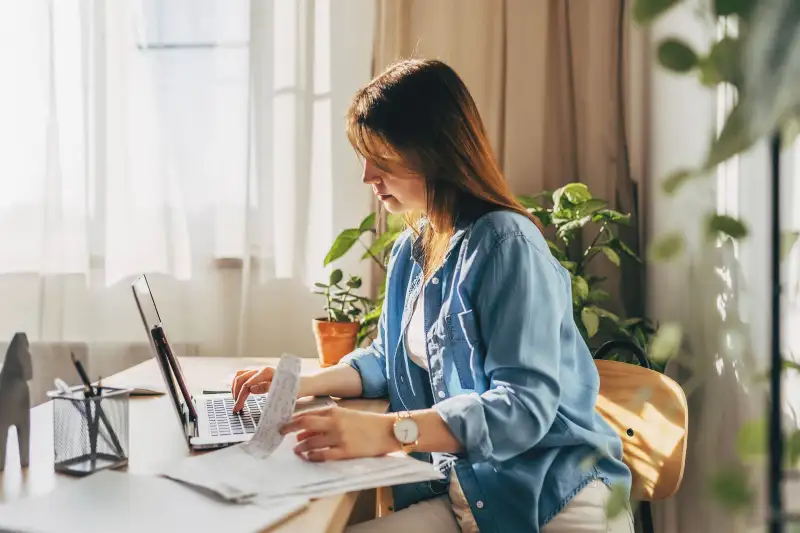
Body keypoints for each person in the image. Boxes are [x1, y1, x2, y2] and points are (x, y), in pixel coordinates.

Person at [231, 58, 634, 533]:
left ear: (432, 149)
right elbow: (388, 359)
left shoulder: (508, 244)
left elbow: (523, 408)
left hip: (553, 501)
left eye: (380, 155)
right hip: (472, 498)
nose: (367, 176)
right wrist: (301, 383)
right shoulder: (411, 251)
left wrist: (387, 431)